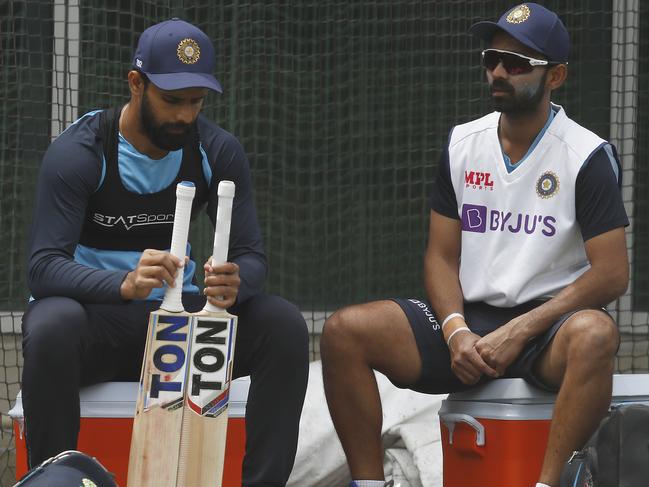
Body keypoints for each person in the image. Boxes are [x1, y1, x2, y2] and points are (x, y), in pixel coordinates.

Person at [320, 4, 629, 487]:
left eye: (518, 63)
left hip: (548, 327)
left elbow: (611, 274)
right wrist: (455, 330)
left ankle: (547, 484)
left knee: (596, 335)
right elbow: (442, 256)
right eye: (492, 59)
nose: (500, 71)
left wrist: (521, 330)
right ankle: (368, 483)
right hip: (472, 325)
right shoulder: (463, 143)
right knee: (344, 332)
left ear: (557, 76)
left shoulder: (586, 155)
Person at [22, 18, 309, 486]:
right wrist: (124, 283)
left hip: (180, 329)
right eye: (172, 101)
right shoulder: (80, 151)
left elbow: (252, 254)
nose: (185, 116)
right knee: (52, 324)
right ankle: (56, 481)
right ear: (136, 84)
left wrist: (238, 280)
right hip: (98, 325)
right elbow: (42, 268)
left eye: (196, 102)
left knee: (282, 325)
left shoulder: (218, 150)